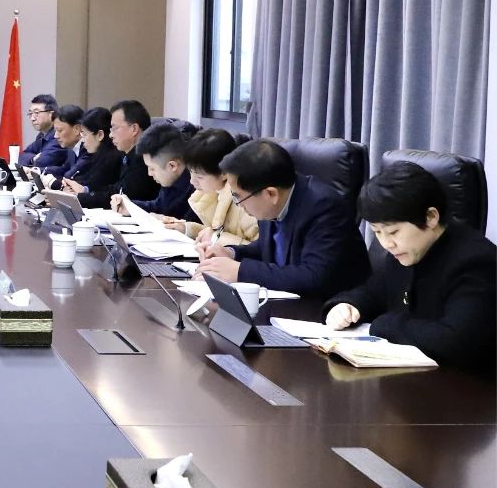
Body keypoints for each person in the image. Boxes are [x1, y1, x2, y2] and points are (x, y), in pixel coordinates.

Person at [324, 162, 495, 375]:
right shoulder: (407, 252)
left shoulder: (475, 261)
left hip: (466, 386)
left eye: (393, 232)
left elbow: (456, 341)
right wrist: (347, 305)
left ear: (431, 217)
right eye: (377, 232)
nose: (386, 244)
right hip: (415, 380)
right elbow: (373, 292)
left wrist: (387, 325)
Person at [196, 139, 371, 297]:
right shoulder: (271, 201)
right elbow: (268, 249)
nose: (238, 205)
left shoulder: (323, 206)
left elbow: (314, 276)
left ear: (270, 194)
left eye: (238, 197)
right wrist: (231, 253)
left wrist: (240, 271)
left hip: (332, 309)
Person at [166, 127, 257, 246]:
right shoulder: (212, 192)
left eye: (199, 177)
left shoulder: (246, 202)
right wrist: (185, 228)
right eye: (191, 172)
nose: (192, 181)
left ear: (224, 173)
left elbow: (260, 251)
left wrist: (215, 238)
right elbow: (213, 231)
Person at [77, 99, 160, 207]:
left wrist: (81, 198)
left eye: (115, 128)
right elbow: (116, 188)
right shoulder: (127, 155)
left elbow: (124, 195)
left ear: (134, 129)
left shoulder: (145, 159)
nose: (110, 135)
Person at [112, 123, 197, 220]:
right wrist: (130, 206)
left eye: (152, 168)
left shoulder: (197, 185)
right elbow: (158, 207)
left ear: (172, 166)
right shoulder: (171, 179)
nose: (149, 173)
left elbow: (191, 225)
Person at [47, 106, 122, 193]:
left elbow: (95, 188)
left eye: (85, 134)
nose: (82, 140)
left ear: (100, 135)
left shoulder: (111, 159)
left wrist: (81, 191)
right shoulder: (98, 155)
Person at [17, 94, 67, 169]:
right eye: (30, 113)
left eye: (37, 113)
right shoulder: (42, 135)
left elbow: (42, 162)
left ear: (51, 114)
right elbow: (21, 156)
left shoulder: (58, 136)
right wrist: (33, 159)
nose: (32, 118)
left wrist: (34, 159)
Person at [39, 104, 85, 185]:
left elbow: (71, 176)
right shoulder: (72, 148)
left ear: (77, 129)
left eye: (59, 130)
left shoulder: (89, 149)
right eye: (55, 131)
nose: (55, 136)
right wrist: (38, 171)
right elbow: (63, 169)